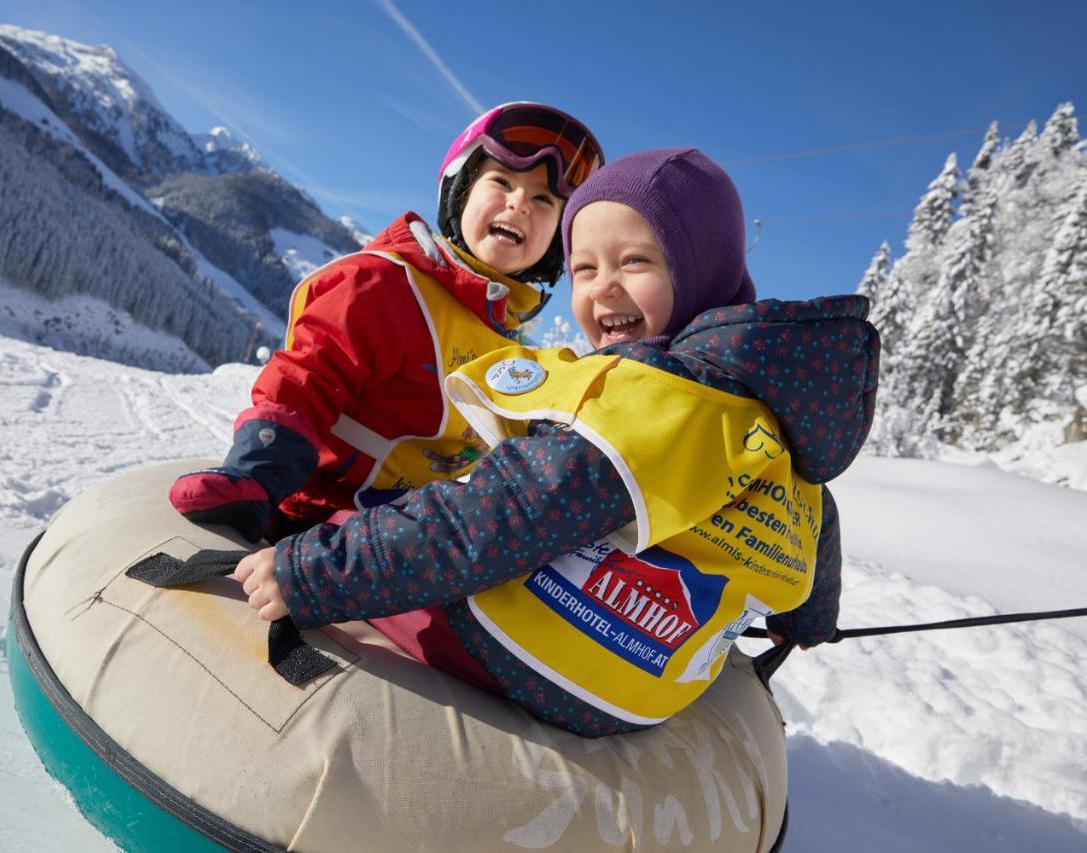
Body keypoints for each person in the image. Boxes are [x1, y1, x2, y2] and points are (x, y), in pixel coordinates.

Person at [235, 149, 880, 736]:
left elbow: (504, 513)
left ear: (702, 267)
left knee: (350, 521)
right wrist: (808, 624)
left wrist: (314, 572)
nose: (603, 287)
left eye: (635, 261)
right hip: (646, 694)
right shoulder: (768, 413)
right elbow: (820, 523)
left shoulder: (665, 399)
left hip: (527, 649)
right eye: (583, 268)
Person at [168, 103, 605, 541]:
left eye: (543, 199)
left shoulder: (514, 344)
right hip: (308, 524)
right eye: (502, 181)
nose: (519, 204)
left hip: (402, 553)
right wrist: (256, 475)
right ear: (461, 190)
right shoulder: (384, 285)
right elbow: (306, 380)